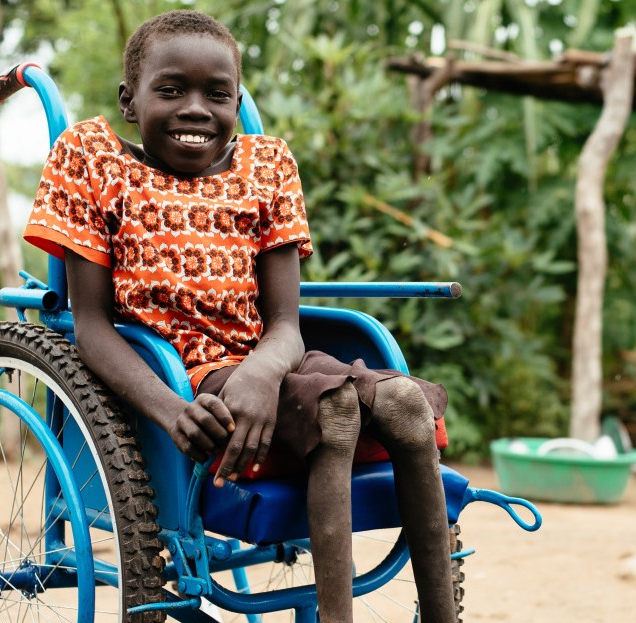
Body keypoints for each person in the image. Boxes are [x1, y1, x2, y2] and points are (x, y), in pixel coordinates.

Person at [23, 10, 458, 623]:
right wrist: (172, 409)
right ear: (130, 100)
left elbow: (286, 324)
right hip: (187, 372)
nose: (196, 109)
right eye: (171, 90)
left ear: (236, 101)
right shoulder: (93, 160)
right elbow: (89, 324)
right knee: (334, 410)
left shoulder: (267, 166)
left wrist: (260, 373)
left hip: (275, 358)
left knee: (409, 405)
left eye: (217, 94)